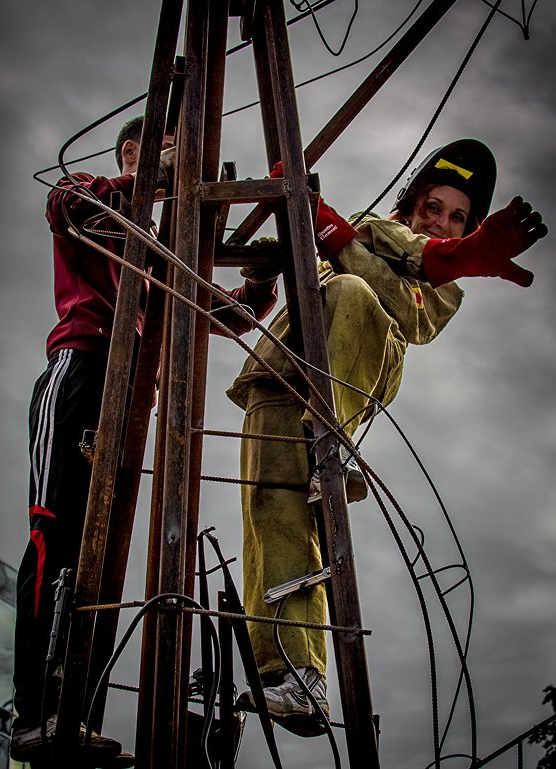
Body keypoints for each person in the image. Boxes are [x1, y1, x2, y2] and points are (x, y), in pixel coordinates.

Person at [227, 139, 547, 737]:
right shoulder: (372, 229)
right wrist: (298, 224)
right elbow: (324, 262)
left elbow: (403, 306)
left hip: (344, 384)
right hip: (278, 375)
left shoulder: (444, 281)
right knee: (272, 512)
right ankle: (290, 674)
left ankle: (330, 444)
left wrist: (341, 240)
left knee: (354, 292)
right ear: (414, 199)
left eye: (457, 217)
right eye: (435, 206)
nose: (442, 222)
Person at [10, 115, 281, 762]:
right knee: (57, 534)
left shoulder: (161, 247)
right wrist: (148, 174)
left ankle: (77, 714)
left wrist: (264, 280)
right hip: (82, 369)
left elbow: (224, 311)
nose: (172, 163)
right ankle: (38, 707)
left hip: (133, 399)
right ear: (134, 151)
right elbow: (64, 204)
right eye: (163, 149)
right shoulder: (95, 198)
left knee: (103, 557)